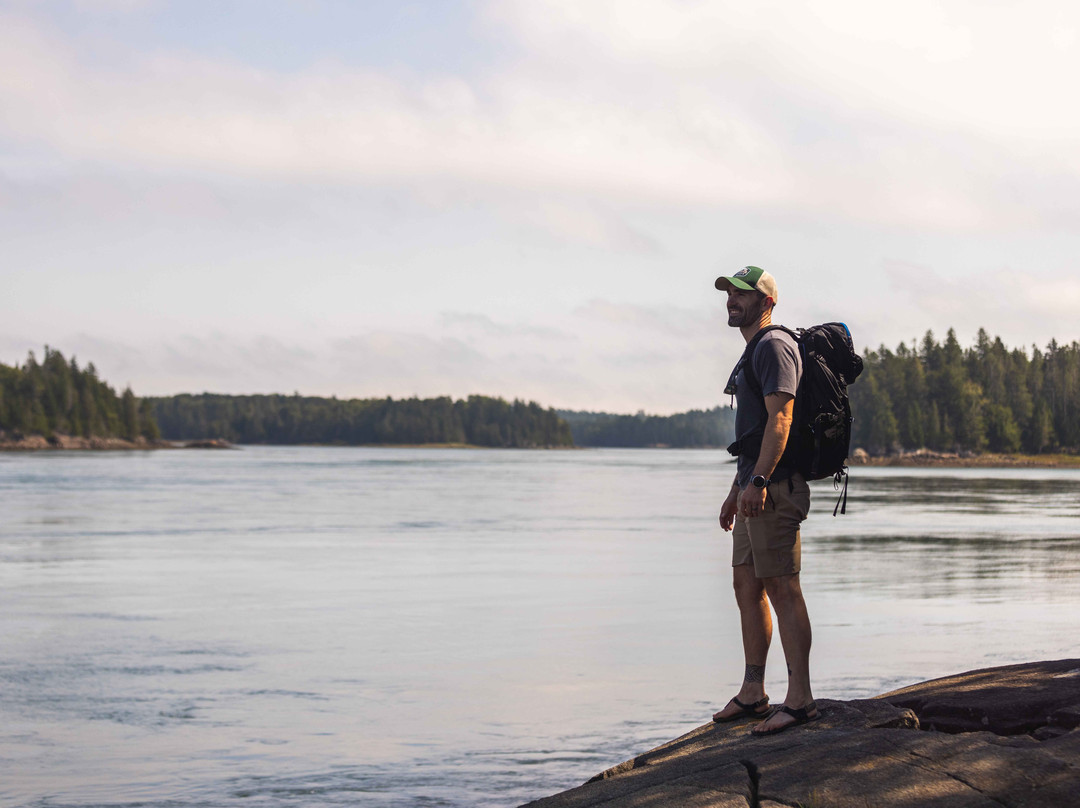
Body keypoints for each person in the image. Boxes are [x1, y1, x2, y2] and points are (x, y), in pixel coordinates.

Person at [710, 266, 819, 736]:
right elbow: (754, 434)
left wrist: (758, 481)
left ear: (767, 300)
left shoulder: (774, 345)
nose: (732, 300)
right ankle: (754, 692)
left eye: (742, 294)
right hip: (755, 489)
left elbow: (782, 420)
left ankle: (800, 700)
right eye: (729, 294)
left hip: (775, 489)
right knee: (746, 586)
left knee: (782, 588)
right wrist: (737, 490)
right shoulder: (753, 349)